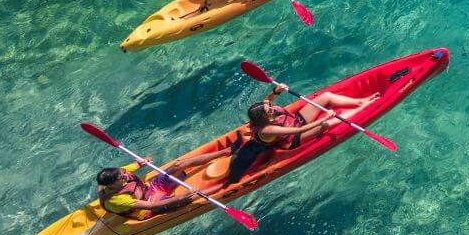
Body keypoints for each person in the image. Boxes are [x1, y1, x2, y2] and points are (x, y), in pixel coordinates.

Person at [224, 82, 376, 183]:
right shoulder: (268, 129)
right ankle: (362, 108)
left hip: (296, 120)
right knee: (327, 123)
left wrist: (276, 91)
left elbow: (266, 100)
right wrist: (326, 117)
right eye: (268, 110)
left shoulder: (263, 113)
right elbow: (299, 130)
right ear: (264, 117)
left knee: (326, 97)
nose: (270, 107)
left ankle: (359, 101)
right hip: (294, 138)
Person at [96, 149, 230, 219]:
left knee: (179, 165)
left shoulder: (118, 174)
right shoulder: (117, 200)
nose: (125, 174)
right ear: (113, 185)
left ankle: (225, 152)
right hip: (148, 207)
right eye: (121, 177)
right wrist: (181, 197)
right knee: (191, 197)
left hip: (151, 188)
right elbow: (152, 205)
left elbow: (136, 165)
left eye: (122, 172)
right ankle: (227, 184)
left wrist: (143, 161)